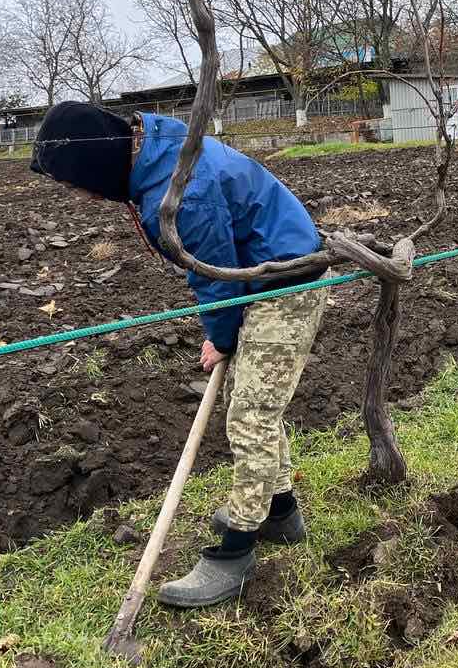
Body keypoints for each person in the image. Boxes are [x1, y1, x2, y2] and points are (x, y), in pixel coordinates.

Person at [29, 101, 326, 608]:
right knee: (245, 399)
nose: (78, 195)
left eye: (74, 183)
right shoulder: (154, 156)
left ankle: (235, 553)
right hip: (258, 274)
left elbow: (213, 274)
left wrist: (222, 337)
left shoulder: (181, 190)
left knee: (251, 414)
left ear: (93, 165)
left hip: (284, 280)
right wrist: (227, 332)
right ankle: (280, 512)